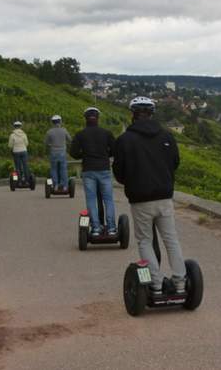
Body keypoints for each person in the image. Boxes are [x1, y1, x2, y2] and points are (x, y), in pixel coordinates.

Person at [113, 96, 185, 295]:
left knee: (145, 241)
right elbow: (175, 163)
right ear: (152, 114)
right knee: (171, 240)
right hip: (164, 196)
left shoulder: (124, 140)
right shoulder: (167, 137)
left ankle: (156, 283)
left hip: (140, 198)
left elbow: (118, 172)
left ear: (133, 115)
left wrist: (132, 181)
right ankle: (180, 282)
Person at [70, 107, 116, 236]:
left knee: (91, 200)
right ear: (98, 118)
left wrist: (83, 155)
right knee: (108, 200)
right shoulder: (106, 133)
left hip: (88, 170)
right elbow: (115, 149)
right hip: (104, 169)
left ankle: (96, 228)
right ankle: (112, 228)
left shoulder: (80, 134)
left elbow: (73, 153)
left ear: (85, 118)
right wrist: (106, 154)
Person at [45, 114, 71, 191]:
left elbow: (46, 142)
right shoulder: (64, 130)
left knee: (54, 169)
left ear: (52, 122)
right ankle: (65, 186)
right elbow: (70, 139)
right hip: (62, 152)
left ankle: (55, 185)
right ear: (60, 121)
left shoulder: (49, 131)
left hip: (53, 152)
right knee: (63, 169)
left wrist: (51, 144)